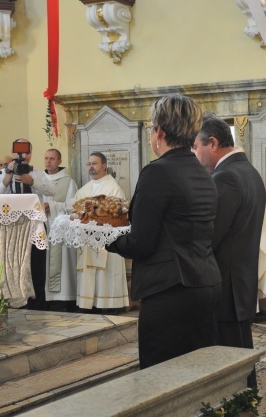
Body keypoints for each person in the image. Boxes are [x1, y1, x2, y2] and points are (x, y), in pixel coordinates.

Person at [107, 95, 221, 369]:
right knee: (198, 372)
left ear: (159, 131)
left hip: (170, 290)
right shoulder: (202, 172)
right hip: (205, 284)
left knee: (161, 376)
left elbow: (141, 243)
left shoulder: (157, 172)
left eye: (150, 128)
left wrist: (107, 239)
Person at [192, 113, 266, 387]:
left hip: (225, 286)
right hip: (239, 284)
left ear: (212, 143)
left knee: (227, 365)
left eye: (196, 146)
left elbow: (210, 236)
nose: (194, 153)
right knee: (240, 356)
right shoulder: (249, 171)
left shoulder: (226, 177)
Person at [0, 138, 56, 310]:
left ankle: (37, 305)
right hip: (9, 228)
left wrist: (31, 182)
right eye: (19, 152)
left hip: (34, 227)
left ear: (31, 155)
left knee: (36, 268)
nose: (23, 156)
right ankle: (12, 303)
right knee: (11, 266)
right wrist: (7, 179)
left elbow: (52, 190)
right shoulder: (1, 174)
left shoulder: (37, 173)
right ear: (12, 154)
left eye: (27, 152)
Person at [70, 152, 129, 313]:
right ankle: (90, 304)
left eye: (94, 163)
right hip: (88, 241)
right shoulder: (84, 190)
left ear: (104, 166)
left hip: (107, 242)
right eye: (89, 164)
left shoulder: (113, 188)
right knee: (90, 274)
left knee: (107, 273)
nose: (91, 167)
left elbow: (120, 213)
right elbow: (74, 210)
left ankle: (110, 305)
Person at [43, 149, 78, 312]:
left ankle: (64, 299)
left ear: (59, 160)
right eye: (46, 158)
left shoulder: (68, 181)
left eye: (52, 159)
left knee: (63, 264)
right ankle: (46, 299)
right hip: (42, 228)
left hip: (60, 229)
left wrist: (52, 206)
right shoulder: (38, 181)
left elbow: (73, 206)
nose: (48, 162)